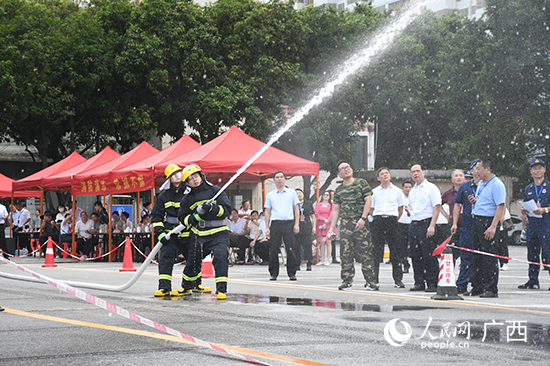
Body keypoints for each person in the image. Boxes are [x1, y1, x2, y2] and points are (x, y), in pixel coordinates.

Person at [178, 164, 231, 300]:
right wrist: (195, 216)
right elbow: (182, 218)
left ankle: (221, 290)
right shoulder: (187, 199)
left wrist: (213, 208)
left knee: (220, 257)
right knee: (192, 262)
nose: (194, 180)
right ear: (187, 183)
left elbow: (227, 210)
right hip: (199, 235)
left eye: (196, 176)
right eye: (190, 179)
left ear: (201, 176)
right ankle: (187, 286)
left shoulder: (216, 191)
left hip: (219, 233)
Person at [327, 161, 378, 291]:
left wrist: (363, 218)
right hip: (345, 223)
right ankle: (346, 280)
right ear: (339, 174)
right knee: (345, 253)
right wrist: (332, 228)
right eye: (342, 169)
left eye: (348, 167)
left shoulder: (361, 183)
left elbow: (368, 200)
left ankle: (370, 281)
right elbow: (336, 209)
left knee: (365, 252)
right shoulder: (339, 189)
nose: (346, 170)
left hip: (360, 222)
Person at [151, 164, 194, 297]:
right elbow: (156, 217)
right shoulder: (163, 197)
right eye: (173, 175)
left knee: (193, 260)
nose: (177, 176)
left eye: (178, 173)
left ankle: (194, 284)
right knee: (165, 258)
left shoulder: (191, 192)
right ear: (169, 179)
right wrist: (160, 234)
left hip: (188, 233)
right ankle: (164, 287)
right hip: (170, 234)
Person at [468, 158, 506, 298]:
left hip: (488, 222)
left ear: (487, 169)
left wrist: (493, 226)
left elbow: (500, 206)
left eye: (478, 168)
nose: (476, 171)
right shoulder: (482, 184)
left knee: (489, 256)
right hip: (477, 220)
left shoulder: (497, 184)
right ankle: (478, 286)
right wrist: (474, 202)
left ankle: (491, 288)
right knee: (477, 255)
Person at [408, 164, 442, 293]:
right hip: (414, 223)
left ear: (424, 172)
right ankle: (419, 282)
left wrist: (432, 225)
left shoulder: (431, 188)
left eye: (418, 171)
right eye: (413, 172)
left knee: (429, 255)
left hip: (426, 223)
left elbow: (436, 206)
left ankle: (432, 282)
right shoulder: (413, 190)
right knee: (415, 255)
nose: (416, 174)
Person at [369, 167, 405, 289]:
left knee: (395, 251)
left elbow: (400, 208)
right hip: (378, 220)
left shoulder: (397, 191)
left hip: (392, 220)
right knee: (376, 251)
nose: (385, 175)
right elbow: (371, 209)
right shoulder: (374, 192)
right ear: (378, 178)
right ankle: (374, 279)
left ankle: (398, 279)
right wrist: (377, 217)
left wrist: (394, 219)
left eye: (386, 173)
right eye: (382, 174)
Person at [519, 158, 550, 290]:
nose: (537, 171)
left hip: (545, 223)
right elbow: (525, 205)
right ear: (531, 171)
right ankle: (533, 280)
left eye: (540, 168)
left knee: (548, 252)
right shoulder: (529, 188)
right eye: (534, 168)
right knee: (532, 253)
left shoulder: (548, 186)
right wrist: (524, 219)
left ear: (544, 170)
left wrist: (545, 209)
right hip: (532, 223)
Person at [264, 171, 300, 281]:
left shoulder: (291, 193)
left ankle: (292, 272)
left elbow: (296, 208)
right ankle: (273, 273)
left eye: (281, 177)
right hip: (276, 224)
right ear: (274, 180)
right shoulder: (270, 195)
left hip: (289, 223)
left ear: (285, 179)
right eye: (277, 177)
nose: (279, 179)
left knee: (290, 248)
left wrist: (296, 224)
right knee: (274, 249)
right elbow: (267, 211)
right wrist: (267, 227)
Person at [451, 165, 478, 294]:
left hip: (481, 225)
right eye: (474, 169)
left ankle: (478, 284)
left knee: (480, 257)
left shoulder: (488, 185)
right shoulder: (465, 186)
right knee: (465, 255)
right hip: (467, 225)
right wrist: (454, 223)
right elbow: (457, 204)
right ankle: (462, 284)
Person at [295, 188, 315, 271]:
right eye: (297, 193)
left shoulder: (308, 203)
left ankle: (309, 262)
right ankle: (297, 263)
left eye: (300, 193)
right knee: (296, 246)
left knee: (307, 245)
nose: (299, 194)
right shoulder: (293, 203)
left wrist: (314, 226)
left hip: (306, 226)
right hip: (297, 226)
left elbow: (312, 215)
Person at [315, 191, 334, 266]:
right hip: (320, 224)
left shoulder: (332, 205)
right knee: (321, 242)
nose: (326, 196)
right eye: (324, 194)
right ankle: (322, 259)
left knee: (328, 242)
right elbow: (316, 214)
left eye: (327, 195)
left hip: (328, 225)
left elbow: (331, 215)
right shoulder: (318, 205)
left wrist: (326, 222)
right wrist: (323, 220)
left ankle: (328, 260)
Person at [397, 181, 413, 273]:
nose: (408, 189)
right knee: (402, 246)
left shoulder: (414, 198)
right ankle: (405, 263)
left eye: (409, 187)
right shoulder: (400, 198)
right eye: (406, 187)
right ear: (403, 188)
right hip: (401, 223)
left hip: (411, 223)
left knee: (411, 246)